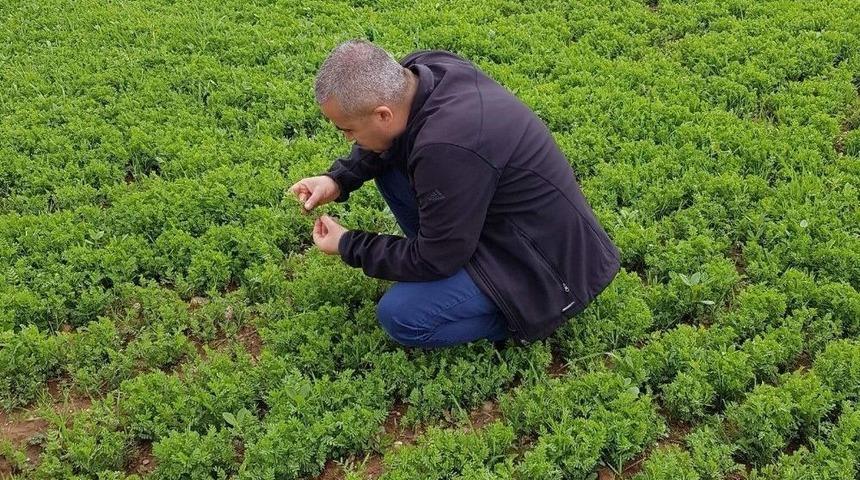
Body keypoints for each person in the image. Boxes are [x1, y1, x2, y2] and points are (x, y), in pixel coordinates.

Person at [290, 39, 620, 348]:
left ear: (382, 115)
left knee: (402, 316)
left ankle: (521, 318)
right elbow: (385, 145)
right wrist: (337, 179)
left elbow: (435, 258)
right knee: (388, 165)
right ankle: (456, 266)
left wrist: (349, 244)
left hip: (548, 268)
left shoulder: (445, 148)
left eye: (348, 129)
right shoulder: (422, 72)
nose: (348, 138)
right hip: (503, 223)